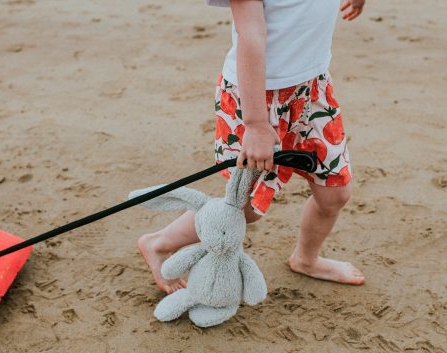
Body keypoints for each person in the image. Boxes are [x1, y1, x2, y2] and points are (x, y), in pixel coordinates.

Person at [139, 0, 367, 293]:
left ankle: (306, 259)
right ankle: (159, 243)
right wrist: (256, 123)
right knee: (245, 206)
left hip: (312, 92)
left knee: (334, 193)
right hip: (257, 101)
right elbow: (251, 35)